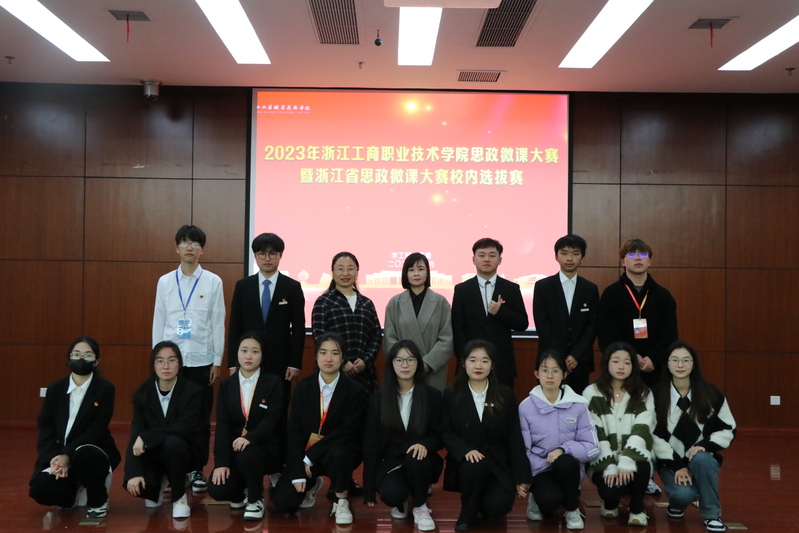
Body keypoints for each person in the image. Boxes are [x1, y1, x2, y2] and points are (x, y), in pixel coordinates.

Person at [152, 224, 225, 492]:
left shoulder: (213, 282)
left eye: (195, 244)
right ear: (177, 248)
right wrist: (157, 361)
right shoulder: (165, 282)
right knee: (169, 416)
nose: (189, 248)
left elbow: (218, 322)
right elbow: (159, 320)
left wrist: (217, 360)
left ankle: (196, 469)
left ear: (202, 250)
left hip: (201, 361)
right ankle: (172, 469)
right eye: (184, 243)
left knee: (200, 419)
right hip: (171, 363)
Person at [271, 333, 366, 525]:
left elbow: (347, 431)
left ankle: (341, 501)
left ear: (343, 357)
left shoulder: (355, 390)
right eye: (323, 352)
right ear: (316, 356)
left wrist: (310, 456)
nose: (328, 358)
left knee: (340, 453)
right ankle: (312, 483)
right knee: (284, 502)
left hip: (337, 451)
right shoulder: (303, 387)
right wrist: (298, 469)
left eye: (335, 353)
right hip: (306, 455)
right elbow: (294, 432)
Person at [441, 340, 531, 532]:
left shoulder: (505, 395)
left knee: (497, 507)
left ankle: (481, 503)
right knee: (474, 465)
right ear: (463, 363)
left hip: (498, 461)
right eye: (473, 360)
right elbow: (445, 431)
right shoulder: (451, 394)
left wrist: (522, 476)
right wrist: (465, 450)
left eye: (484, 361)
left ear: (492, 365)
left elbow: (514, 437)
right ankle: (467, 513)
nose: (478, 366)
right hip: (468, 463)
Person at [29, 337, 121, 520]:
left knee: (85, 454)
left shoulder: (105, 389)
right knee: (41, 489)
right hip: (59, 455)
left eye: (88, 355)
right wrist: (54, 458)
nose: (81, 359)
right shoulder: (55, 389)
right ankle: (70, 494)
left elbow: (96, 430)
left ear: (96, 361)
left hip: (91, 452)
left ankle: (98, 500)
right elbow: (46, 427)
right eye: (77, 355)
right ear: (69, 358)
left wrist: (67, 454)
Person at [652, 341, 736, 533]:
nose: (680, 365)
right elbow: (654, 436)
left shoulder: (711, 394)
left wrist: (705, 446)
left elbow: (728, 428)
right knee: (684, 494)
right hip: (670, 464)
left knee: (702, 459)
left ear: (693, 364)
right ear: (667, 364)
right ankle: (677, 503)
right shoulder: (655, 395)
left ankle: (712, 515)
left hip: (701, 460)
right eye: (675, 360)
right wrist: (677, 466)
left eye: (686, 360)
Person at [363, 340, 444, 531]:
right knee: (392, 494)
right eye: (399, 360)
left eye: (410, 360)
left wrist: (425, 444)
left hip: (423, 461)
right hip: (393, 462)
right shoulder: (378, 399)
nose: (405, 365)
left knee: (416, 460)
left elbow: (441, 434)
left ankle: (420, 506)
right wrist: (368, 490)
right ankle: (402, 500)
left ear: (418, 363)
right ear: (391, 364)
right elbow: (372, 445)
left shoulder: (432, 396)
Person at [518, 349, 600, 530]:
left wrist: (563, 450)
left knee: (566, 461)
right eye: (545, 370)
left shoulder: (579, 405)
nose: (550, 375)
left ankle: (572, 509)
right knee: (550, 501)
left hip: (568, 468)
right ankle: (537, 497)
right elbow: (523, 450)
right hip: (540, 470)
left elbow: (593, 446)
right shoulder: (525, 407)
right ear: (536, 374)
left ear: (564, 375)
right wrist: (529, 475)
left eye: (555, 371)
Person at [209, 332, 284, 521]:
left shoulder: (273, 382)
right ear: (237, 353)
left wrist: (249, 438)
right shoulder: (227, 385)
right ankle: (241, 490)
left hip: (265, 447)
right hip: (236, 449)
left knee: (248, 453)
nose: (249, 356)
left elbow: (272, 420)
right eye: (244, 351)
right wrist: (221, 463)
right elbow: (223, 426)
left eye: (255, 351)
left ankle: (255, 499)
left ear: (262, 355)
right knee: (218, 489)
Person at [124, 341, 203, 519]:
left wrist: (147, 437)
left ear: (179, 364)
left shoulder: (193, 391)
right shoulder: (143, 392)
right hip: (154, 454)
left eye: (171, 360)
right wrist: (133, 473)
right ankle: (161, 479)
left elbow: (184, 427)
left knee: (174, 443)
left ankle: (179, 496)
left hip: (184, 452)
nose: (165, 366)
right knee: (144, 492)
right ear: (153, 365)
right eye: (160, 361)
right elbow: (136, 432)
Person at [582, 342, 656, 527]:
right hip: (604, 459)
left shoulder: (643, 394)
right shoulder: (591, 393)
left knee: (642, 465)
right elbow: (595, 433)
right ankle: (610, 504)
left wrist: (627, 460)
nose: (621, 366)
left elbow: (643, 429)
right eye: (616, 361)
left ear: (634, 366)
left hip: (632, 457)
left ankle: (637, 509)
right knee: (610, 493)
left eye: (627, 362)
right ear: (607, 363)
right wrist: (609, 466)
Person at [597, 238, 678, 391]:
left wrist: (654, 358)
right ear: (623, 261)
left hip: (655, 370)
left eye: (643, 254)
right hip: (621, 369)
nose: (638, 258)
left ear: (650, 261)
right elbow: (607, 334)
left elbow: (670, 334)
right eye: (633, 255)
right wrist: (630, 357)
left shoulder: (663, 296)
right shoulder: (611, 294)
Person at [451, 238, 529, 390]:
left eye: (492, 255)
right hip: (470, 363)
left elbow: (522, 323)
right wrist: (464, 358)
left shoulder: (511, 288)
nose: (486, 259)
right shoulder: (462, 290)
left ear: (500, 260)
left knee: (502, 403)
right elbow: (457, 328)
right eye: (482, 255)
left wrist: (501, 312)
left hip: (501, 363)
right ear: (474, 259)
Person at [533, 234, 600, 394]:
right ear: (556, 256)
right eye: (564, 253)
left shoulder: (590, 289)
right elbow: (542, 324)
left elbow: (592, 326)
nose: (569, 258)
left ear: (582, 258)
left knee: (577, 404)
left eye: (575, 254)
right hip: (550, 361)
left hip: (579, 362)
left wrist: (576, 355)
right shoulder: (543, 287)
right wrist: (559, 357)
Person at [312, 251, 382, 396]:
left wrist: (365, 361)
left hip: (364, 373)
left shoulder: (367, 303)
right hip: (333, 372)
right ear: (332, 272)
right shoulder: (323, 302)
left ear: (357, 272)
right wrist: (343, 362)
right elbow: (319, 336)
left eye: (350, 269)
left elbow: (376, 336)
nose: (345, 273)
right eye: (340, 269)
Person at [384, 252, 453, 390]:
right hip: (403, 370)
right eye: (411, 270)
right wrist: (406, 362)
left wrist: (426, 364)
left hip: (432, 371)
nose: (416, 273)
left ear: (427, 273)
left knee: (432, 402)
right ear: (405, 274)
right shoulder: (395, 303)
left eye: (420, 269)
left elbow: (447, 339)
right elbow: (389, 339)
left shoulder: (441, 302)